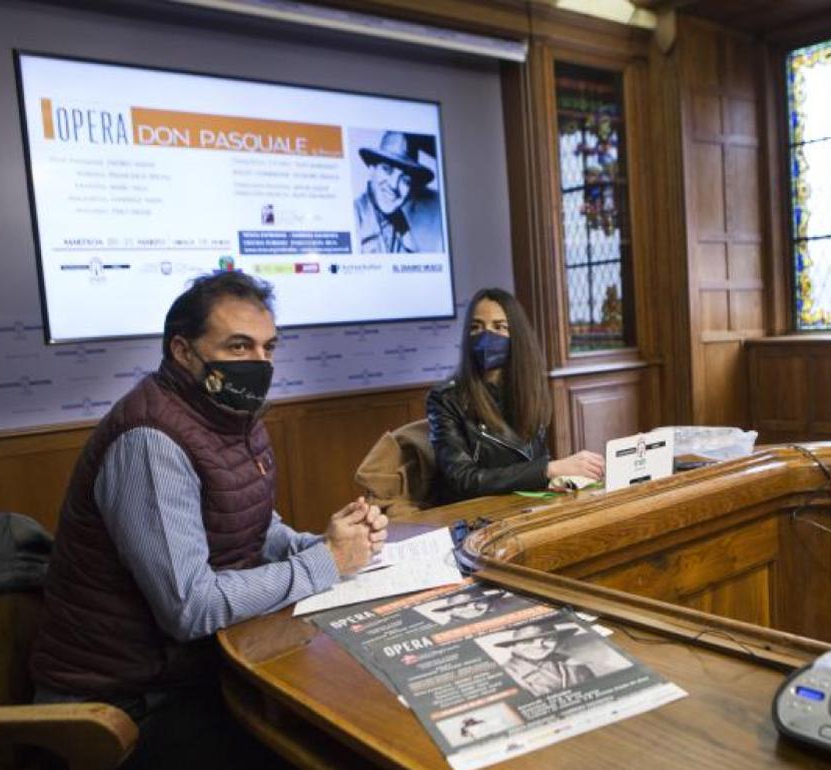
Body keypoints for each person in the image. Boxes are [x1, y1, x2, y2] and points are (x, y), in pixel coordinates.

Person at [30, 272, 388, 770]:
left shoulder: (229, 417)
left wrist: (328, 544)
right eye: (239, 347)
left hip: (193, 674)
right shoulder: (150, 441)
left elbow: (255, 528)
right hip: (127, 707)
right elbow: (190, 608)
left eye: (268, 347)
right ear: (182, 351)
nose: (259, 364)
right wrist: (324, 563)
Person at [426, 288, 604, 502]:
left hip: (522, 504)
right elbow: (463, 479)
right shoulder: (445, 399)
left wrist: (557, 478)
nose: (486, 336)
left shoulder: (529, 390)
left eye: (499, 327)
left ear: (517, 336)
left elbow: (535, 463)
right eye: (476, 327)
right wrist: (548, 470)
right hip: (472, 513)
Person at [353, 130, 443, 254]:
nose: (394, 185)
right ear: (372, 169)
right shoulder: (352, 218)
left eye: (405, 180)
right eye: (387, 169)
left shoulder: (401, 226)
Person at [494, 622, 594, 697]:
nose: (539, 646)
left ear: (557, 641)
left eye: (548, 639)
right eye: (528, 641)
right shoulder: (505, 675)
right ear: (512, 645)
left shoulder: (576, 665)